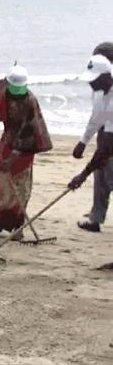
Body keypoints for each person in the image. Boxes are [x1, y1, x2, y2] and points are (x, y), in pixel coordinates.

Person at [0, 65, 52, 239]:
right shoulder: (1, 89)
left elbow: (30, 132)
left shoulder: (30, 100)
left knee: (19, 184)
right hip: (7, 139)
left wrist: (14, 156)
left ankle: (17, 227)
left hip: (26, 146)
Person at [72, 52, 113, 232]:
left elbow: (106, 148)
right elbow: (97, 118)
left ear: (106, 76)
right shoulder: (102, 91)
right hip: (107, 144)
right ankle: (95, 220)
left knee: (107, 175)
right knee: (101, 178)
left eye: (94, 79)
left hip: (110, 146)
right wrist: (83, 141)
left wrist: (82, 175)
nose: (91, 82)